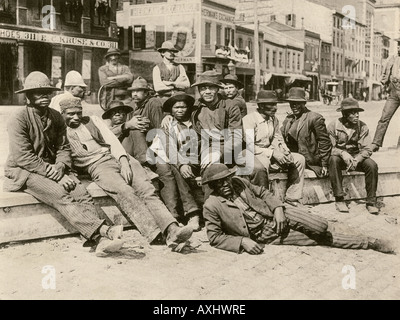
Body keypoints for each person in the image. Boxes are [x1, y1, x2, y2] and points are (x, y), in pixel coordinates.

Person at [3, 71, 124, 257]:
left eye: (47, 92)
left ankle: (95, 239)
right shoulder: (18, 119)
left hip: (53, 167)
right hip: (25, 170)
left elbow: (63, 148)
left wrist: (60, 167)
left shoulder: (56, 116)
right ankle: (103, 233)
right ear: (28, 96)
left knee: (80, 192)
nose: (44, 96)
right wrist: (57, 175)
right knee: (59, 193)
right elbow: (23, 157)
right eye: (38, 92)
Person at [60, 97, 194, 250]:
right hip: (96, 166)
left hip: (118, 156)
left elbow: (111, 140)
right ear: (62, 113)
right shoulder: (59, 131)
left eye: (78, 112)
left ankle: (172, 229)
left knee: (147, 190)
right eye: (70, 114)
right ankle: (154, 233)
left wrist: (123, 159)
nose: (76, 117)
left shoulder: (92, 120)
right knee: (125, 192)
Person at [202, 164, 394, 255]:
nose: (225, 184)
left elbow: (263, 193)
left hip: (278, 213)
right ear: (212, 185)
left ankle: (336, 225)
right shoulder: (211, 205)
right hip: (264, 233)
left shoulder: (239, 182)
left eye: (225, 179)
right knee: (319, 239)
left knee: (320, 226)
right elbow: (215, 237)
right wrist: (242, 241)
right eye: (218, 183)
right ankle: (369, 242)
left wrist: (277, 208)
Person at [108, 76, 183, 220]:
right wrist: (126, 125)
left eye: (139, 91)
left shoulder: (150, 105)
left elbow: (160, 130)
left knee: (165, 170)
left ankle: (173, 215)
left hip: (151, 149)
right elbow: (107, 135)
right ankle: (145, 164)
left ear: (147, 92)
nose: (134, 94)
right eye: (133, 91)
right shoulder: (112, 125)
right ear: (109, 116)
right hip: (123, 158)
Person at [191, 70, 269, 192]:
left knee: (258, 168)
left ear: (217, 89)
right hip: (210, 147)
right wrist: (169, 116)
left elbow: (236, 136)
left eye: (211, 88)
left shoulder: (230, 105)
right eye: (203, 88)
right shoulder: (196, 107)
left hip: (234, 147)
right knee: (210, 169)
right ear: (199, 90)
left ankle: (263, 201)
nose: (207, 92)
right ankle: (213, 207)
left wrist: (220, 152)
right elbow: (178, 110)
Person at [243, 90, 306, 207]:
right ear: (261, 105)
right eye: (271, 105)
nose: (275, 108)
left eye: (275, 104)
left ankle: (292, 197)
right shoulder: (249, 120)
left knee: (299, 159)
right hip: (255, 154)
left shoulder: (273, 119)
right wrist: (272, 153)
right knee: (262, 165)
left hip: (271, 152)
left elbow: (278, 138)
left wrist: (285, 151)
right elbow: (249, 147)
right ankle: (263, 201)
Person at [150, 93, 203, 230]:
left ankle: (184, 215)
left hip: (196, 160)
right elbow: (170, 148)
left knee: (174, 167)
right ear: (171, 110)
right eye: (176, 107)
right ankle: (186, 214)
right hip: (175, 160)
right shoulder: (168, 124)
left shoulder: (195, 122)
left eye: (183, 107)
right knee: (171, 169)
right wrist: (182, 164)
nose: (180, 110)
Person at [327, 98, 379, 214]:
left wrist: (358, 159)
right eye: (353, 113)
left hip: (356, 155)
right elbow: (329, 148)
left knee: (372, 165)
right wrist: (342, 153)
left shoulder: (362, 126)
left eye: (357, 112)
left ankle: (371, 202)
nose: (357, 116)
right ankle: (339, 199)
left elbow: (367, 148)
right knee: (333, 160)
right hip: (340, 157)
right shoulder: (333, 126)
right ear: (344, 114)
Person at [281, 87, 332, 178]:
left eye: (298, 103)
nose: (294, 106)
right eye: (292, 103)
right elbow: (281, 137)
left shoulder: (314, 118)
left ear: (304, 103)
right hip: (291, 159)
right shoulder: (288, 119)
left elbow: (324, 142)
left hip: (309, 162)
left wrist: (325, 164)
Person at [371, 39, 400, 152]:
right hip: (393, 93)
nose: (399, 48)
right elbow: (384, 73)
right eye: (398, 46)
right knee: (384, 118)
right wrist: (385, 82)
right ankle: (376, 143)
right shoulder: (392, 59)